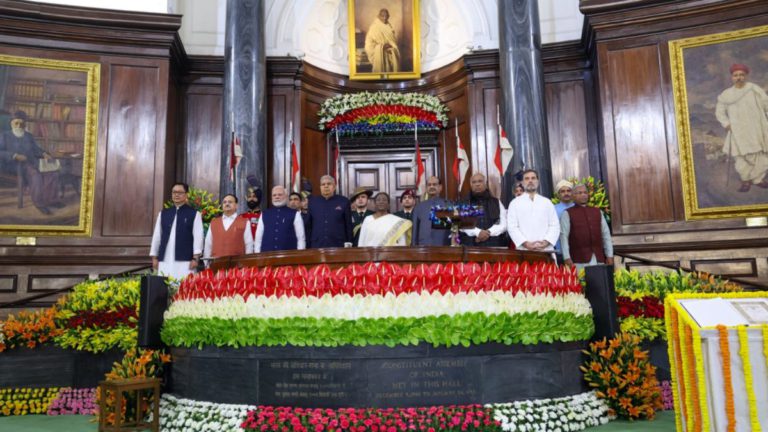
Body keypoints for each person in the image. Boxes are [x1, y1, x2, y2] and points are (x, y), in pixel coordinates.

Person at [715, 63, 768, 192]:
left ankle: (758, 179)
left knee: (760, 155)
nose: (739, 77)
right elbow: (719, 112)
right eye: (736, 75)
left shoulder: (754, 89)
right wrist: (726, 124)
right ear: (732, 77)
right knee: (740, 157)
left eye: (741, 75)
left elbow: (766, 103)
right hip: (738, 131)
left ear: (746, 76)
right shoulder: (726, 95)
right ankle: (745, 180)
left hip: (756, 128)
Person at [0, 110, 61, 215]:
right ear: (11, 123)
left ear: (25, 124)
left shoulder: (28, 135)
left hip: (31, 162)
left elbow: (36, 149)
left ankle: (51, 200)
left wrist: (44, 154)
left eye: (22, 123)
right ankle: (39, 204)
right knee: (35, 174)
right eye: (16, 123)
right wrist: (14, 155)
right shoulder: (4, 135)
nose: (19, 125)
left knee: (52, 173)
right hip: (14, 165)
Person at [149, 182, 204, 280]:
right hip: (165, 259)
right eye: (174, 192)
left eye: (180, 192)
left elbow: (198, 237)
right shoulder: (163, 214)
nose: (176, 194)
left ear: (186, 195)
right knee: (164, 287)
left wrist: (196, 258)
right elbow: (157, 236)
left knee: (184, 286)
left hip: (185, 260)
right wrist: (154, 257)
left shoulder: (194, 214)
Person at [560, 184, 614, 269]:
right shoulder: (567, 213)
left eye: (585, 192)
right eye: (580, 193)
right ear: (573, 196)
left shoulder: (597, 211)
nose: (583, 195)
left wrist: (609, 255)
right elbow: (564, 237)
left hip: (599, 259)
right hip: (578, 260)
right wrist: (566, 257)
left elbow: (606, 234)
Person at [506, 169, 560, 252]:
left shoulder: (547, 202)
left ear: (537, 181)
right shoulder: (514, 203)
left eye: (533, 178)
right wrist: (525, 243)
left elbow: (554, 225)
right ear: (522, 183)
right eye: (527, 179)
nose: (530, 180)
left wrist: (546, 242)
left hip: (546, 249)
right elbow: (512, 227)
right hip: (524, 250)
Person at [459, 173, 507, 247]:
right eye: (474, 182)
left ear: (485, 183)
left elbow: (503, 223)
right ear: (471, 185)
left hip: (494, 245)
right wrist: (478, 232)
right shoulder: (465, 202)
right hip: (472, 245)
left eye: (480, 181)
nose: (477, 184)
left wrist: (488, 232)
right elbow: (462, 223)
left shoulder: (496, 202)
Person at [254, 185, 306, 252]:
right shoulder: (264, 214)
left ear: (286, 196)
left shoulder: (295, 214)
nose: (277, 197)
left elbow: (301, 238)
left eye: (280, 194)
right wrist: (257, 256)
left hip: (289, 257)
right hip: (267, 257)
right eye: (274, 195)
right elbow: (258, 238)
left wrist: (300, 256)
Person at [203, 194, 254, 261]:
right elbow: (208, 244)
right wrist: (207, 264)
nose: (227, 204)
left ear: (236, 205)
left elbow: (249, 244)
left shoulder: (244, 222)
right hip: (216, 265)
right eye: (224, 202)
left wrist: (247, 263)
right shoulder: (214, 222)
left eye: (230, 202)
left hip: (237, 266)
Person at [308, 175, 352, 248]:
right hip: (317, 244)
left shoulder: (343, 201)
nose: (326, 186)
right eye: (323, 184)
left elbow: (348, 225)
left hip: (338, 244)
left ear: (334, 187)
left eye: (329, 184)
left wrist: (349, 243)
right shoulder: (312, 202)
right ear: (320, 187)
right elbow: (309, 226)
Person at [411, 176, 451, 246]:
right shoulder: (419, 207)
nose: (431, 186)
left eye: (434, 184)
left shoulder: (448, 205)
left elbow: (454, 231)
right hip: (423, 250)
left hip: (443, 249)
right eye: (429, 185)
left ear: (440, 187)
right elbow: (415, 233)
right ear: (426, 188)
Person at [364, 8, 400, 73]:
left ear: (388, 16)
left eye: (386, 16)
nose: (384, 18)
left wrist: (391, 46)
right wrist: (382, 46)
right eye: (382, 16)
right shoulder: (374, 27)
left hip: (390, 52)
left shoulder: (389, 26)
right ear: (378, 16)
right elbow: (369, 44)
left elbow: (393, 41)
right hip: (380, 53)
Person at [552, 179, 575, 256]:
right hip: (559, 249)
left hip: (578, 250)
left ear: (572, 193)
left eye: (568, 191)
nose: (566, 193)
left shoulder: (578, 208)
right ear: (558, 194)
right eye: (563, 191)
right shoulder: (553, 209)